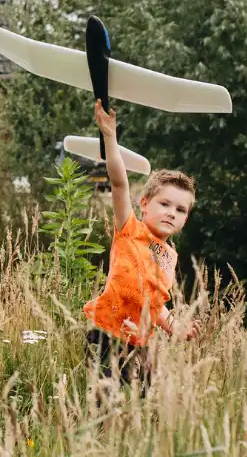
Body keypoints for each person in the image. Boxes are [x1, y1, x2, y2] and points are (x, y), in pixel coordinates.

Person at [84, 99, 199, 392]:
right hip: (108, 334)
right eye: (165, 204)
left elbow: (154, 303)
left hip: (140, 341)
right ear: (145, 204)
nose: (171, 213)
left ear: (185, 218)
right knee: (105, 402)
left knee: (143, 402)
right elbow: (119, 183)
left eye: (180, 209)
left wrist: (175, 325)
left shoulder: (170, 257)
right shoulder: (130, 228)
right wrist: (110, 137)